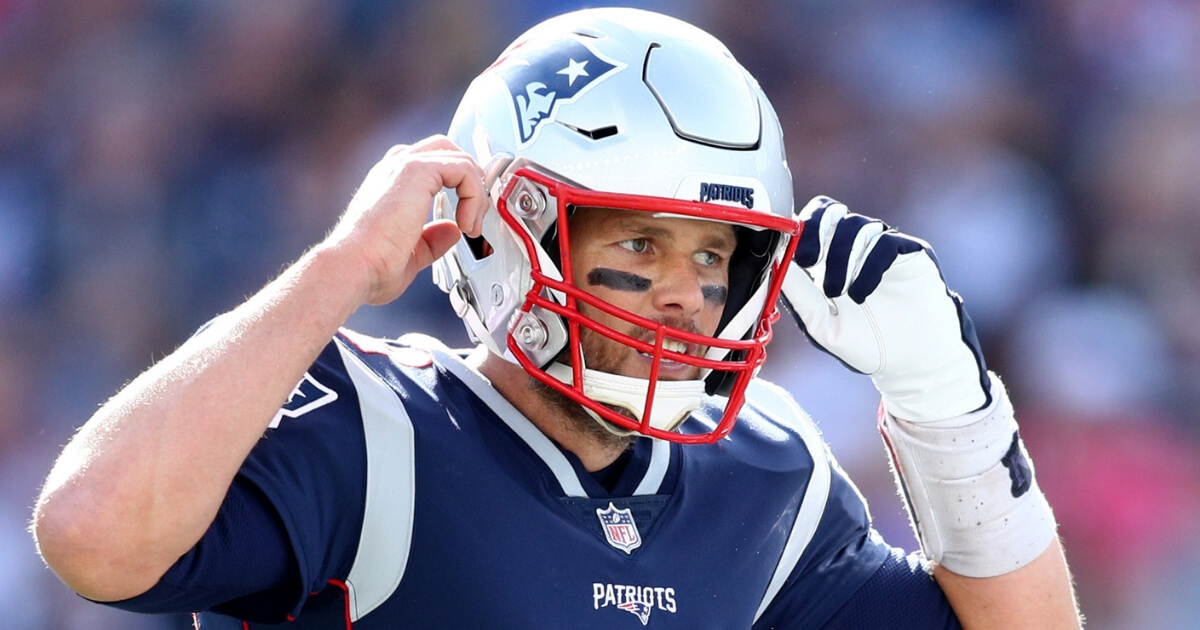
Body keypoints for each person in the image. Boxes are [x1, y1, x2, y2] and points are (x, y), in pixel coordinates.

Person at [31, 8, 1080, 629]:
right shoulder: (370, 429)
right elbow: (90, 538)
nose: (683, 290)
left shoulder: (766, 476)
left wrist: (950, 406)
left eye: (713, 253)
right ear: (508, 232)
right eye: (637, 244)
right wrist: (339, 269)